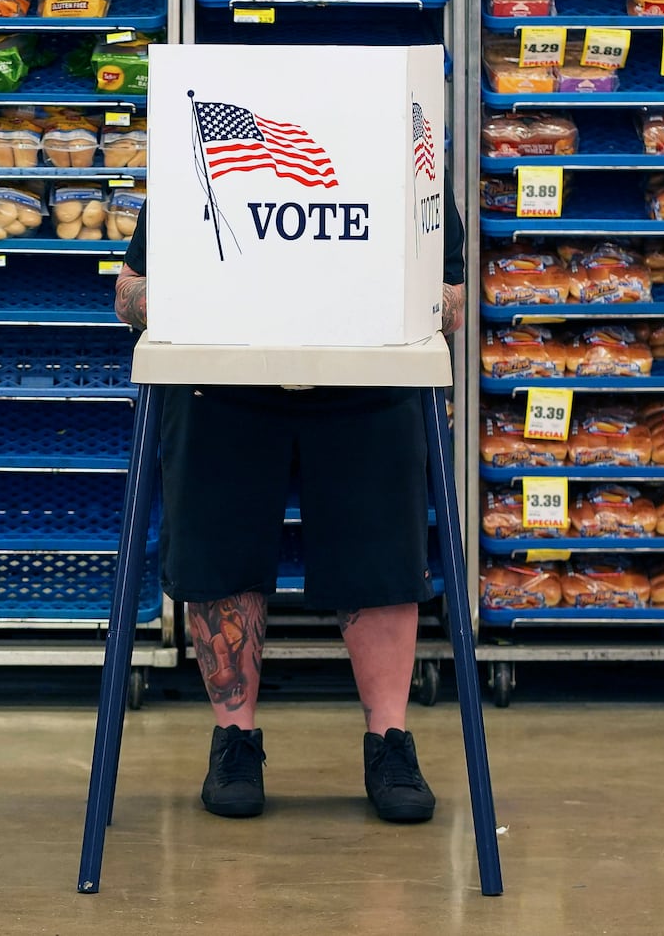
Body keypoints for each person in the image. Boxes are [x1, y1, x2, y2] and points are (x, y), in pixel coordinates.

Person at [114, 189, 466, 821]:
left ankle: (390, 742)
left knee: (381, 549)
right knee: (218, 543)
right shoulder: (198, 155)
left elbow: (451, 300)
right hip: (224, 379)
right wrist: (193, 302)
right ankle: (235, 741)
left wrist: (411, 306)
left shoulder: (392, 145)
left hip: (366, 378)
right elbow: (129, 294)